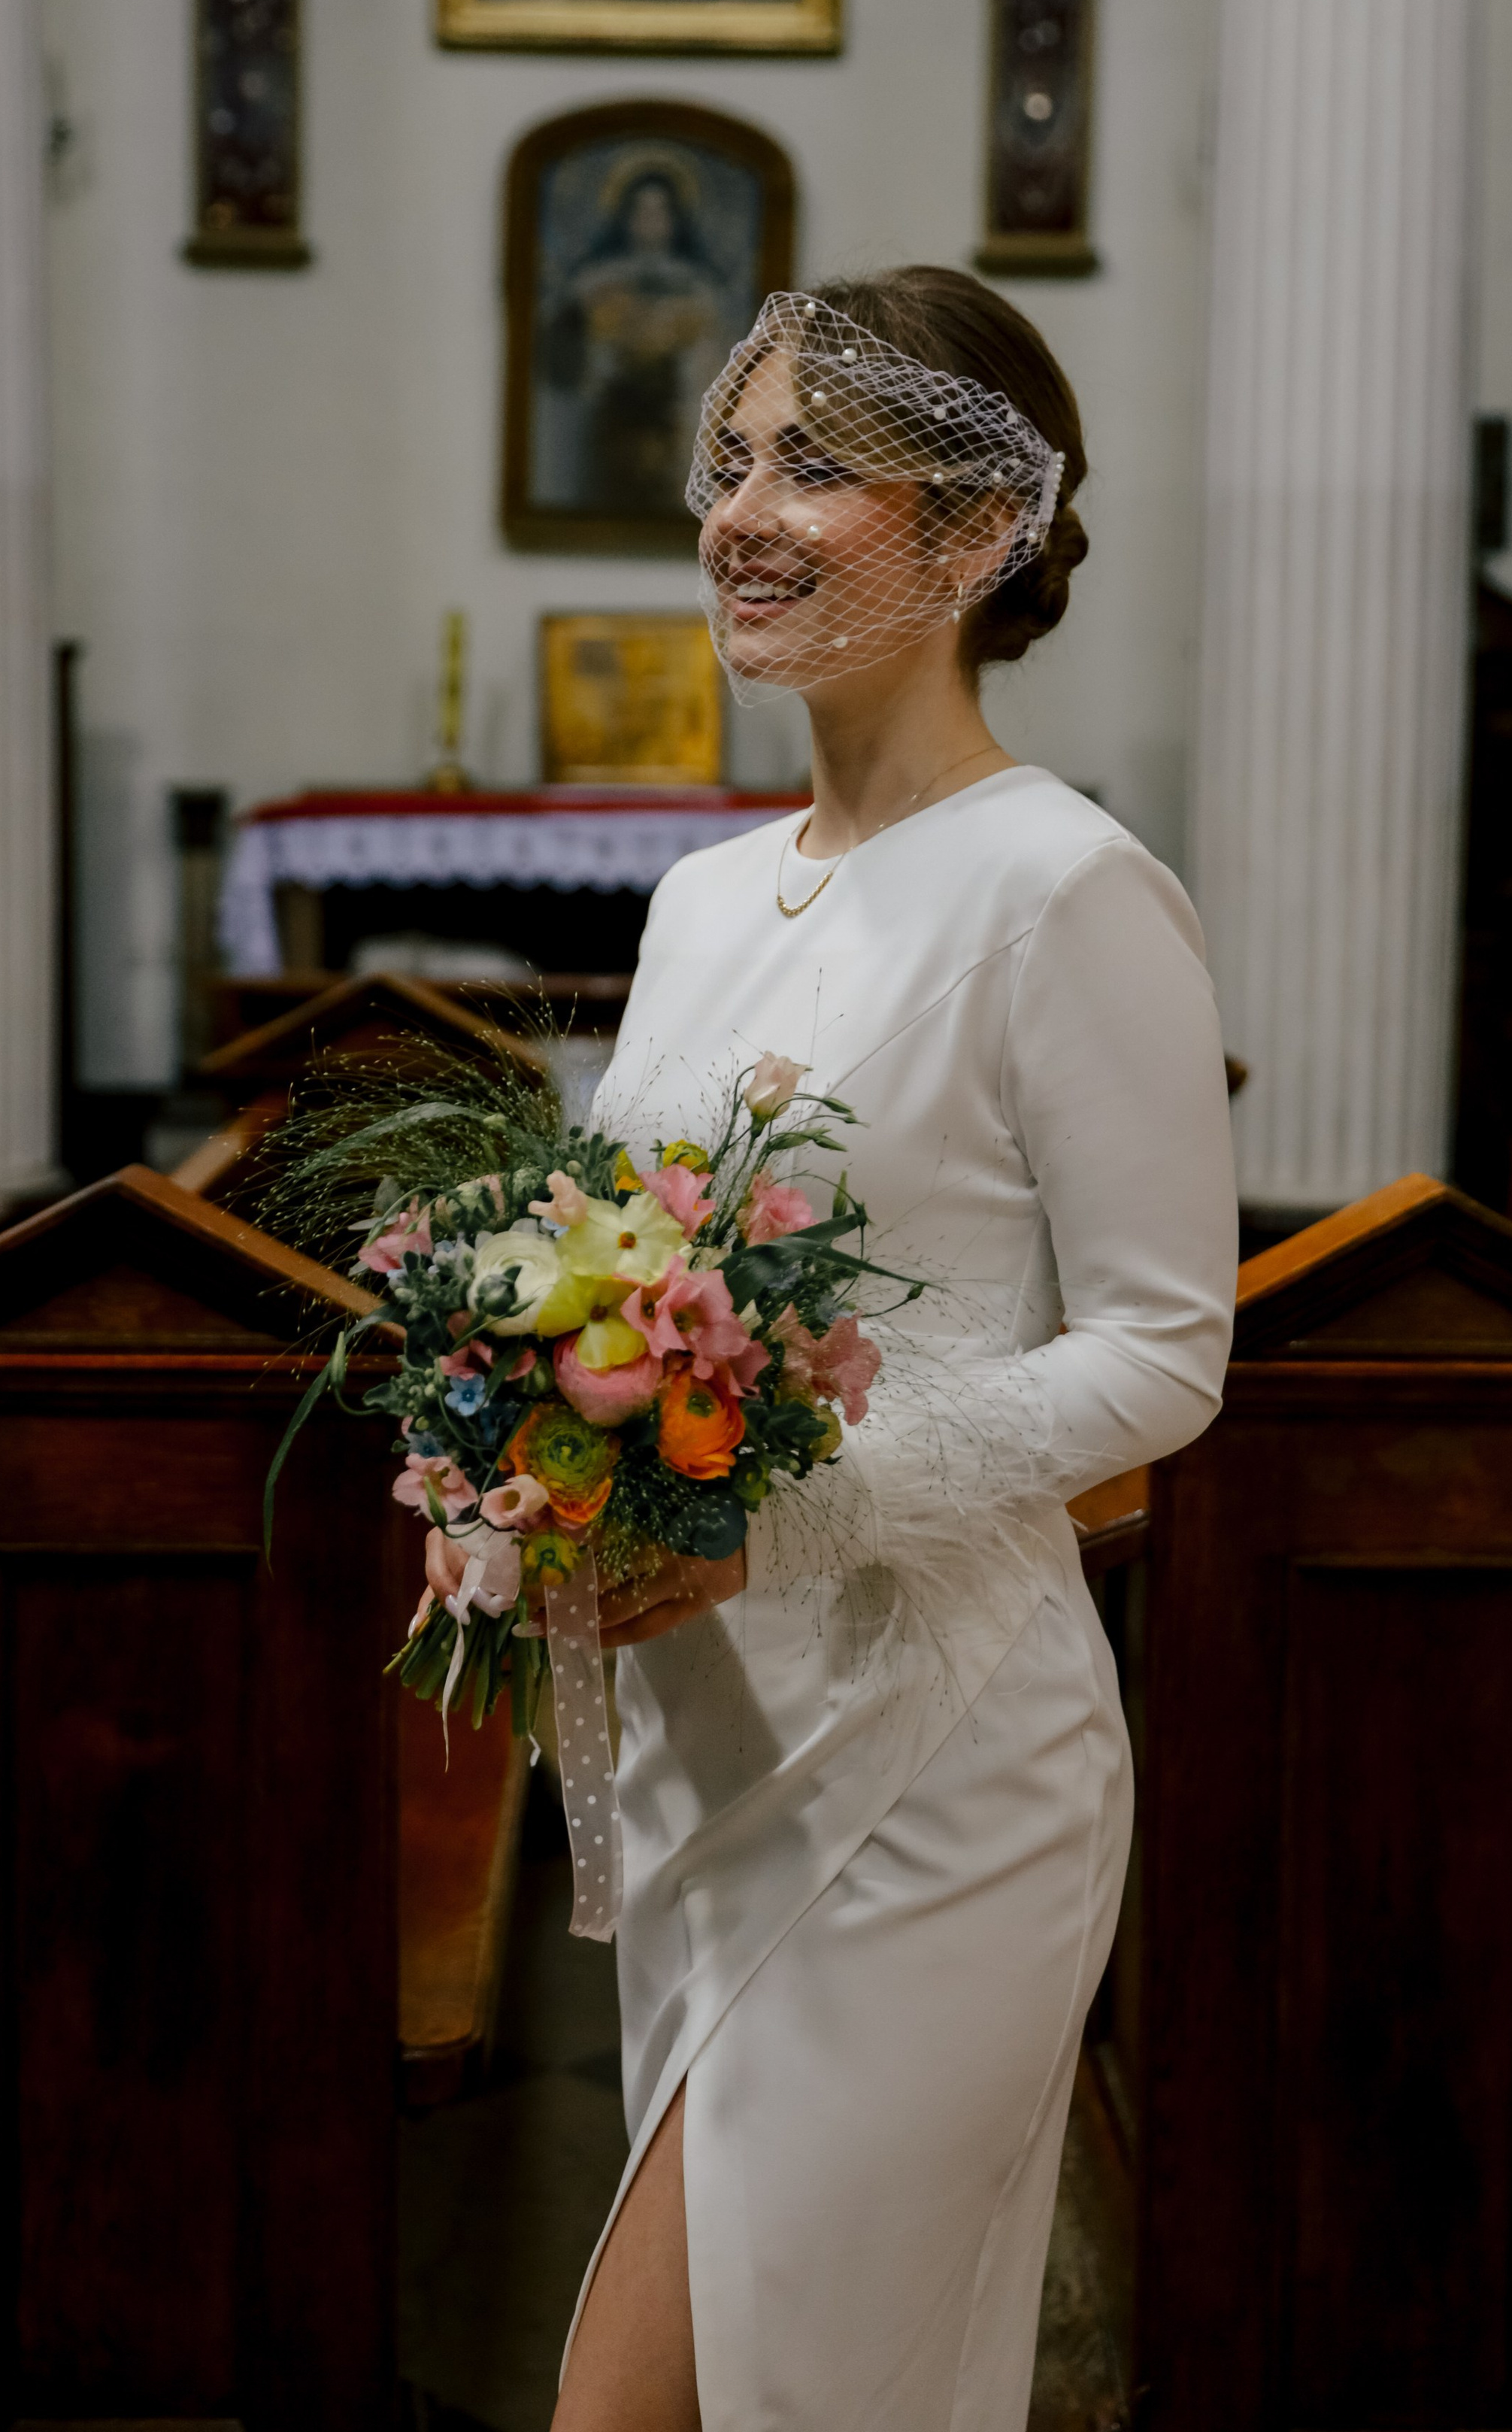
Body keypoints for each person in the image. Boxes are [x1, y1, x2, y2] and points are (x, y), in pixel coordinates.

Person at [547, 267, 1238, 2429]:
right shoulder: (698, 901)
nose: (744, 512)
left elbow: (1162, 1354)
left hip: (941, 1767)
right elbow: (615, 1273)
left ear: (971, 538)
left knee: (694, 2398)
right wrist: (527, 1455)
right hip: (711, 1749)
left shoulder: (1065, 888)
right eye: (731, 459)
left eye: (816, 468)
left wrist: (787, 1512)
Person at [538, 165, 735, 517]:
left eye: (660, 212)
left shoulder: (700, 288)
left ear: (677, 218)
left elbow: (715, 370)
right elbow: (567, 364)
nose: (650, 221)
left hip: (676, 423)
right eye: (641, 211)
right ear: (623, 216)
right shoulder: (593, 283)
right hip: (609, 424)